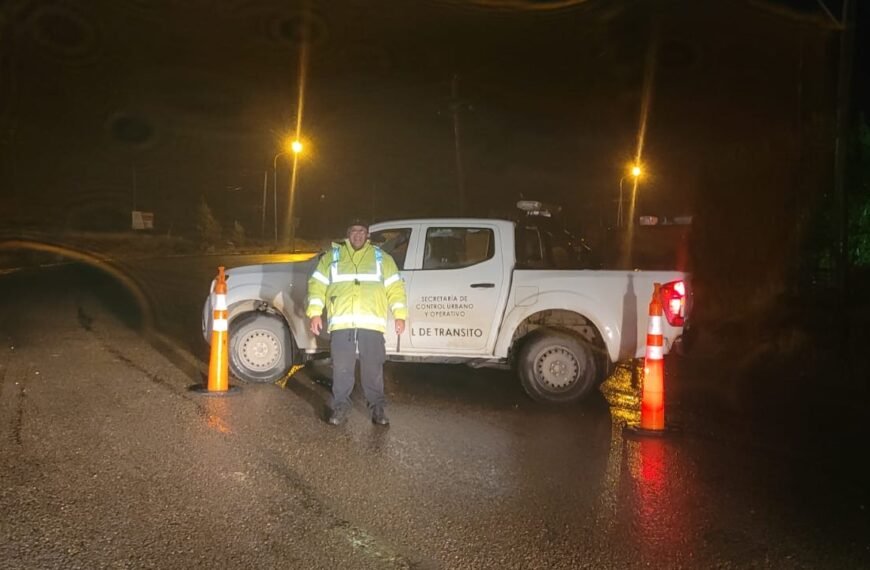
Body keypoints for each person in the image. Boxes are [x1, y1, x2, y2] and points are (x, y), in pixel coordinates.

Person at [306, 219, 407, 426]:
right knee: (342, 368)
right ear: (348, 234)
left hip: (371, 323)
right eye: (354, 231)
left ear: (368, 234)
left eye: (362, 231)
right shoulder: (332, 258)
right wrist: (315, 313)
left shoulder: (382, 258)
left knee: (373, 368)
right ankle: (340, 407)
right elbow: (316, 285)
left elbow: (395, 289)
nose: (358, 235)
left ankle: (377, 408)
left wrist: (400, 315)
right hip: (343, 323)